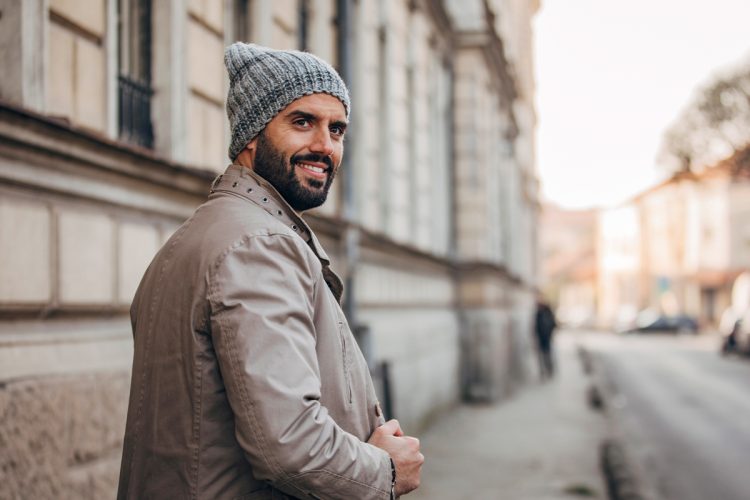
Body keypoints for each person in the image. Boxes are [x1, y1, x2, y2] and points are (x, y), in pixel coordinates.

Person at [117, 43, 423, 500]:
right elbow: (291, 444)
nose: (325, 146)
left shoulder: (199, 237)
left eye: (337, 129)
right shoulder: (259, 247)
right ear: (251, 136)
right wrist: (386, 471)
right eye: (302, 122)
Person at [534, 298, 557, 379]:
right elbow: (535, 327)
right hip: (541, 338)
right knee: (542, 356)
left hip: (546, 338)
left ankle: (549, 370)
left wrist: (549, 334)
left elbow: (554, 325)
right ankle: (543, 372)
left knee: (547, 355)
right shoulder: (538, 314)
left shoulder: (547, 313)